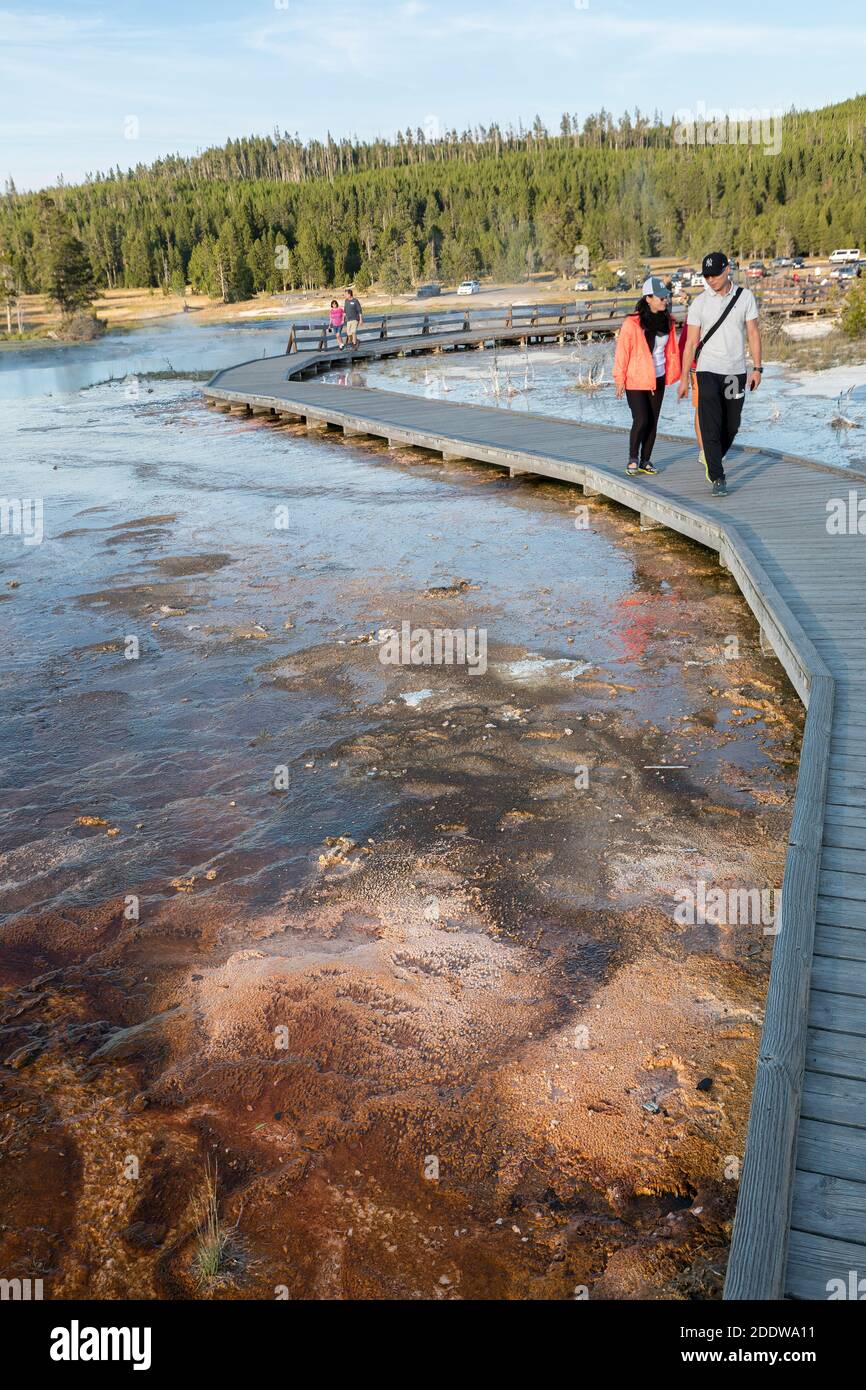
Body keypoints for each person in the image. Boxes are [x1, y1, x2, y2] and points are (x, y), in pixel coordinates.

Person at [677, 251, 762, 497]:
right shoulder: (700, 303)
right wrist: (684, 377)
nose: (711, 279)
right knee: (710, 424)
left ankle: (713, 457)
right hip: (707, 371)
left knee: (732, 425)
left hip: (735, 372)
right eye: (707, 276)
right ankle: (717, 476)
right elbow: (691, 343)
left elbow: (753, 334)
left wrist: (757, 368)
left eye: (715, 274)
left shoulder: (745, 298)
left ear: (727, 270)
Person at [613, 276, 682, 476]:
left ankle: (646, 460)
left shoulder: (668, 321)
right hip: (636, 379)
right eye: (660, 297)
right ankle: (633, 458)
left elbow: (670, 351)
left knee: (652, 421)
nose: (664, 300)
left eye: (666, 297)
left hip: (658, 378)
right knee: (641, 418)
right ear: (648, 298)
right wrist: (619, 378)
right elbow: (622, 352)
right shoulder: (632, 323)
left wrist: (678, 372)